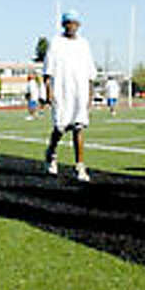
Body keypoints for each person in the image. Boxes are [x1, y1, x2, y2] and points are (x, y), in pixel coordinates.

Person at [43, 10, 97, 182]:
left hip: (79, 93)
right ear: (64, 25)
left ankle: (80, 166)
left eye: (74, 23)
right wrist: (49, 90)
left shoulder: (84, 44)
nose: (72, 26)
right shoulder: (56, 43)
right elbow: (47, 70)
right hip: (61, 91)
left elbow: (90, 73)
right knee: (60, 128)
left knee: (78, 127)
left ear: (79, 25)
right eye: (68, 23)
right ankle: (51, 153)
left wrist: (90, 95)